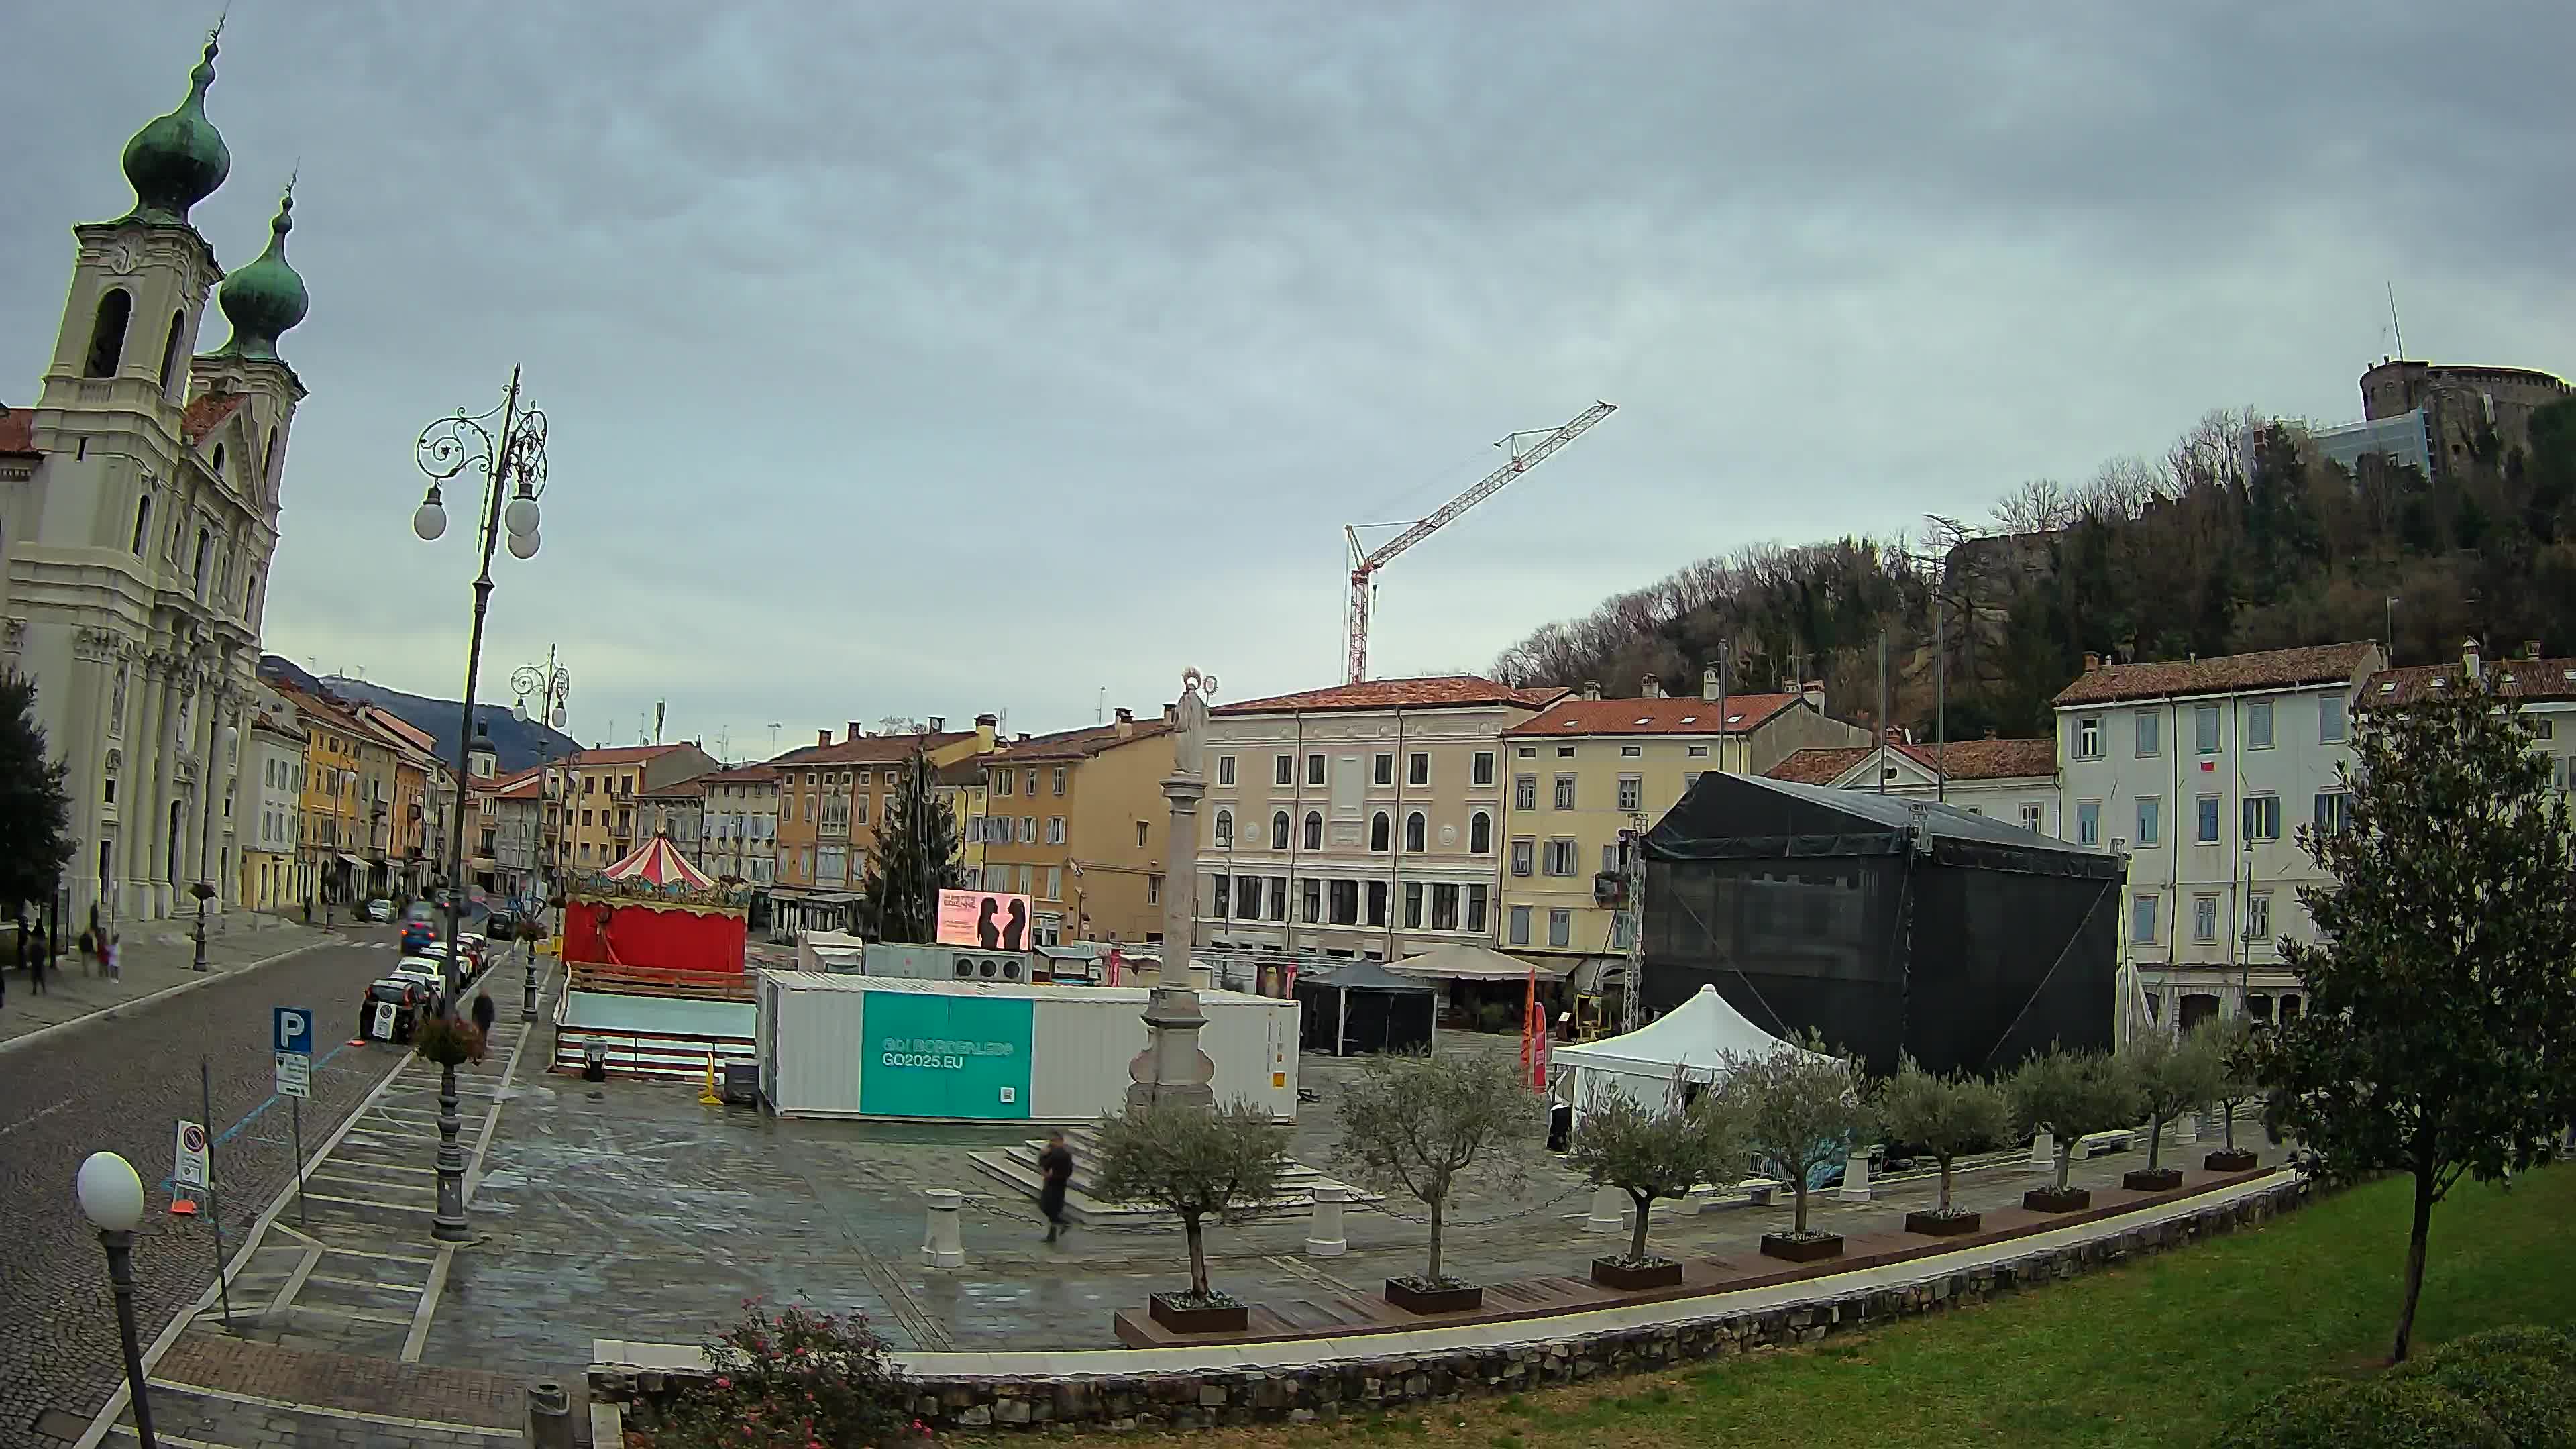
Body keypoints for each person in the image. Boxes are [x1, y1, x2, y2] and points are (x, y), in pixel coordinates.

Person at [1038, 1130, 1075, 1243]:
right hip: (1050, 1183)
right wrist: (1043, 1156)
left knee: (1052, 1208)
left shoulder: (1064, 1154)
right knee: (1046, 1207)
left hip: (1058, 1184)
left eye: (1054, 1141)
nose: (1052, 1143)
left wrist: (1052, 1175)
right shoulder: (1052, 1152)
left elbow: (1068, 1171)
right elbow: (1044, 1164)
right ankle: (1053, 1234)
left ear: (1061, 1141)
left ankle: (1063, 1224)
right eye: (1051, 1141)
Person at [470, 990, 496, 1063]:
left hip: (483, 1022)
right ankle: (480, 1051)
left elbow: (474, 1011)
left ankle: (481, 1051)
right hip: (482, 1021)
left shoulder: (482, 1000)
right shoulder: (484, 1000)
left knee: (482, 1036)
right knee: (481, 1036)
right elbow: (475, 1011)